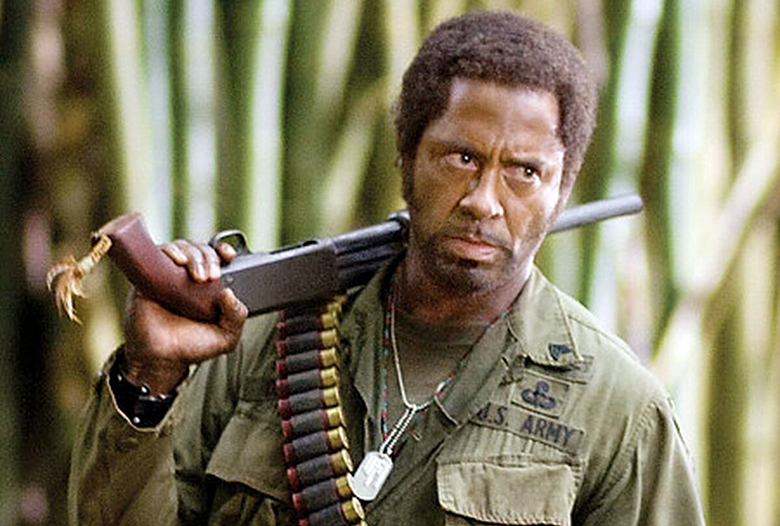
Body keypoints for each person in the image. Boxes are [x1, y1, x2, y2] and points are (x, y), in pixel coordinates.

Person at [68, 10, 706, 526]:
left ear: (561, 191)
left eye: (524, 171)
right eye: (461, 158)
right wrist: (151, 376)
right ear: (406, 156)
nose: (484, 201)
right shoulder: (256, 343)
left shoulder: (618, 409)